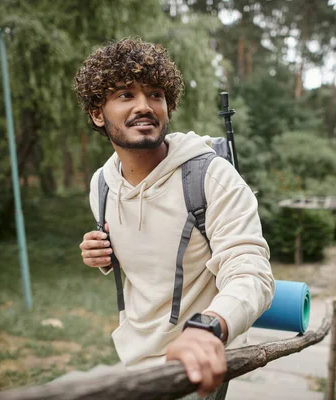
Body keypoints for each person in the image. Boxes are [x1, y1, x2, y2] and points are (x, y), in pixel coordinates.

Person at [74, 37, 274, 399]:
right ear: (97, 113)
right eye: (125, 95)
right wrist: (104, 255)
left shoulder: (211, 177)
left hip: (195, 361)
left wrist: (207, 328)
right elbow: (150, 248)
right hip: (133, 361)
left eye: (155, 94)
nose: (145, 106)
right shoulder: (101, 184)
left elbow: (251, 272)